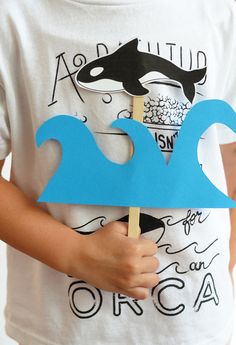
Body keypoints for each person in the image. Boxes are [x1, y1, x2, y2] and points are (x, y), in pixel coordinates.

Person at [0, 0, 236, 344]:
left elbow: (228, 155)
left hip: (197, 327)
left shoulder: (218, 14)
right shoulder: (14, 19)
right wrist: (75, 254)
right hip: (63, 330)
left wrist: (224, 263)